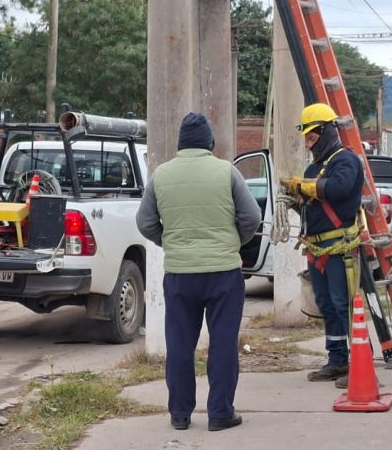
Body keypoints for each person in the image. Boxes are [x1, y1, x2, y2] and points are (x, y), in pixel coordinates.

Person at [136, 112, 262, 432]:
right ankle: (220, 413)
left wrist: (171, 242)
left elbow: (145, 223)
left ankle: (180, 414)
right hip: (223, 273)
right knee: (222, 342)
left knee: (179, 344)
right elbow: (252, 217)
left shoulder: (161, 176)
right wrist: (233, 241)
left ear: (180, 144)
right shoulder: (226, 171)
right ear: (210, 143)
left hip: (179, 274)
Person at [280, 103, 365, 388]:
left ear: (327, 131)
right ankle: (337, 359)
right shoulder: (314, 167)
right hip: (316, 250)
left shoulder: (346, 161)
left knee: (344, 306)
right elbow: (312, 204)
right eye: (307, 137)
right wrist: (296, 200)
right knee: (327, 306)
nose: (309, 143)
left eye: (313, 137)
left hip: (340, 249)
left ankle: (359, 362)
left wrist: (305, 187)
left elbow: (338, 188)